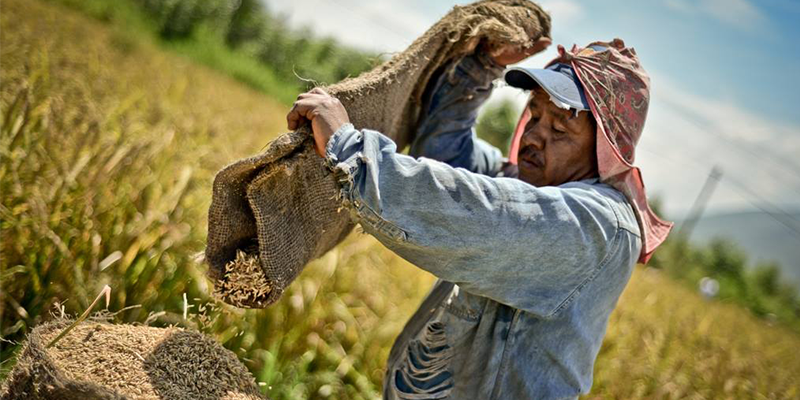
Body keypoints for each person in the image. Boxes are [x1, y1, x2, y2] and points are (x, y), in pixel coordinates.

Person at [286, 37, 672, 399]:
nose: (536, 136)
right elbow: (442, 154)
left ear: (605, 146)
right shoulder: (526, 181)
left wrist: (349, 148)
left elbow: (476, 210)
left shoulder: (599, 225)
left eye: (559, 127)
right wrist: (481, 65)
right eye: (535, 116)